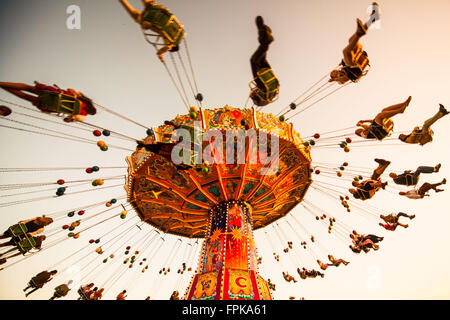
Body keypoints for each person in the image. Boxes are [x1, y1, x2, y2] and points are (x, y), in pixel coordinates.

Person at [119, 0, 185, 63]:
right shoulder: (170, 43)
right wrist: (160, 55)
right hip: (147, 19)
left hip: (156, 9)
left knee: (147, 3)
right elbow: (163, 49)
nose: (164, 42)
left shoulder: (177, 32)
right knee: (131, 11)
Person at [328, 4, 380, 84]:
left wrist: (341, 62)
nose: (334, 72)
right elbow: (343, 80)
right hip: (354, 70)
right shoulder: (340, 80)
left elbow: (345, 61)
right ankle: (359, 33)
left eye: (332, 71)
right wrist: (335, 80)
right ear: (334, 76)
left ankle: (372, 19)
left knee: (351, 40)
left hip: (357, 57)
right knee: (345, 52)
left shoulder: (342, 65)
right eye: (333, 74)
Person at [0, 81, 96, 122]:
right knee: (25, 96)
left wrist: (77, 95)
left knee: (27, 87)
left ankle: (2, 83)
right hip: (48, 104)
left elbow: (69, 89)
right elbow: (66, 120)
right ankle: (1, 85)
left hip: (52, 94)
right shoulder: (82, 116)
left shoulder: (83, 100)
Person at [249, 16, 279, 107]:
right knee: (254, 61)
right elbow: (258, 97)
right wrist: (254, 95)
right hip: (263, 82)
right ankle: (265, 42)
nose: (253, 92)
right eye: (253, 94)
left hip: (268, 73)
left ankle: (264, 39)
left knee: (261, 58)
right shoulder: (263, 91)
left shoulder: (271, 93)